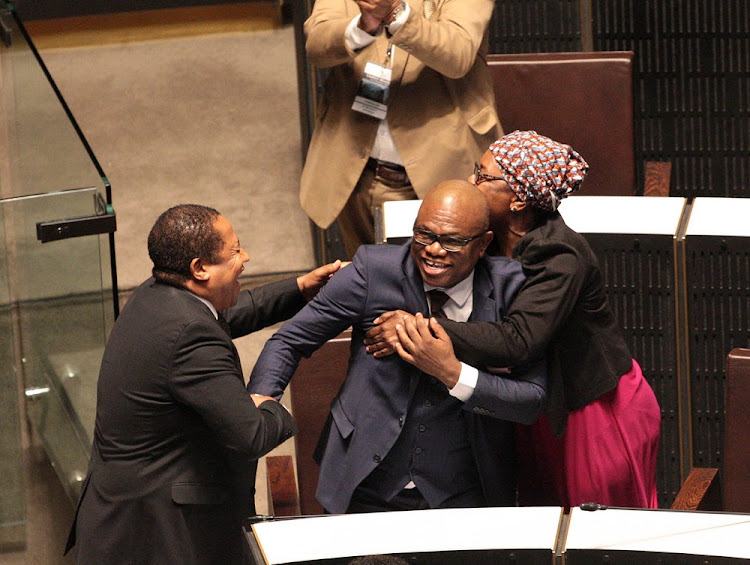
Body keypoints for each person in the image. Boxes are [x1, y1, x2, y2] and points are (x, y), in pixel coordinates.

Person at [366, 130, 661, 509]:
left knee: (594, 535)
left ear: (519, 199)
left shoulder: (558, 253)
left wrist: (419, 329)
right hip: (538, 409)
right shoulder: (489, 242)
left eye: (484, 177)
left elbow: (520, 339)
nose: (471, 182)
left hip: (593, 413)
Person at [65, 204, 341, 564]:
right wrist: (271, 405)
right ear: (199, 268)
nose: (246, 257)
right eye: (235, 250)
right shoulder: (192, 336)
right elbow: (251, 435)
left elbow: (224, 314)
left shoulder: (156, 294)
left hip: (120, 512)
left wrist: (299, 289)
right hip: (160, 537)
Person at [249, 181, 546, 514]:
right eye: (423, 234)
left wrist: (452, 373)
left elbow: (531, 400)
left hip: (464, 489)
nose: (433, 250)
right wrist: (262, 397)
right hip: (363, 480)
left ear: (482, 245)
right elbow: (289, 340)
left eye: (451, 241)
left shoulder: (513, 289)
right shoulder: (372, 272)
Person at [299, 0, 502, 259]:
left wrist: (396, 12)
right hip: (355, 168)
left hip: (443, 167)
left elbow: (457, 54)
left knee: (449, 281)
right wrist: (361, 27)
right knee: (366, 281)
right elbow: (316, 46)